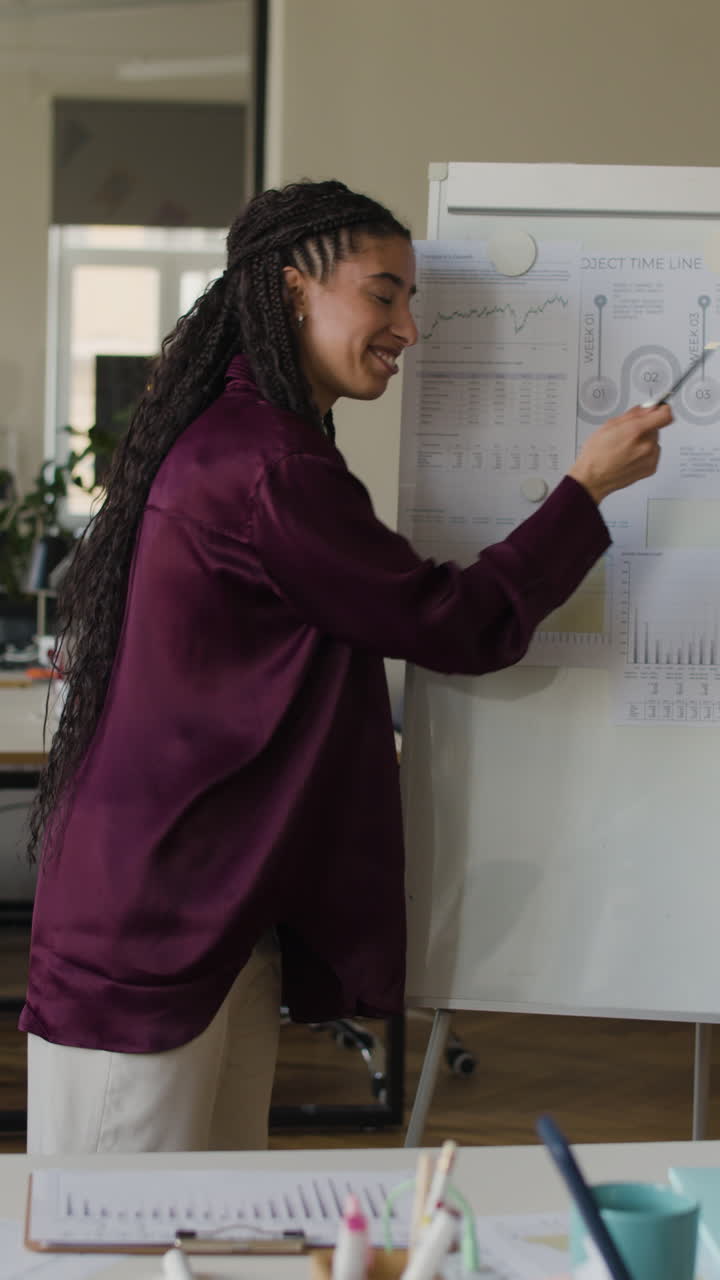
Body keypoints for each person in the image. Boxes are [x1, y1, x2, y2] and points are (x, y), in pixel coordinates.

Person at [20, 180, 671, 1154]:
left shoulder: (259, 444)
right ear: (293, 290)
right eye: (383, 294)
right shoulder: (270, 469)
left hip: (210, 912)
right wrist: (583, 493)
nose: (409, 327)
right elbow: (453, 621)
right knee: (113, 1244)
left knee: (214, 1233)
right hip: (158, 923)